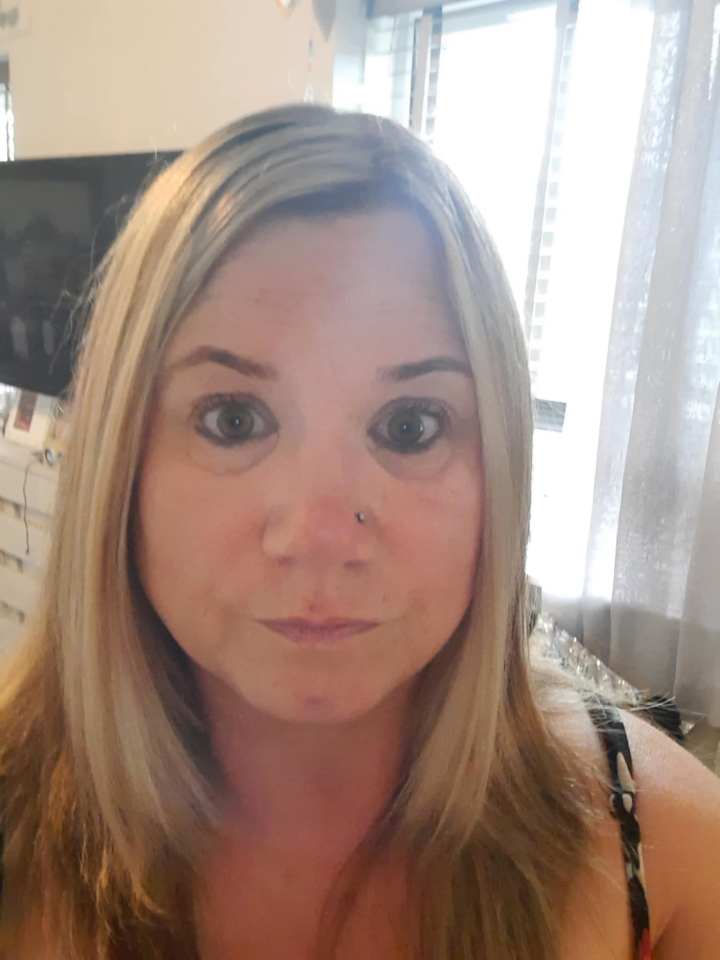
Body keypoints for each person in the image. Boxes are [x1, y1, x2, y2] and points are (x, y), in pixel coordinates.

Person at [0, 103, 718, 960]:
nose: (318, 535)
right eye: (233, 419)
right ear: (122, 460)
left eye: (409, 426)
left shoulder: (663, 846)